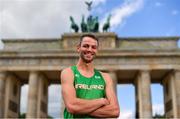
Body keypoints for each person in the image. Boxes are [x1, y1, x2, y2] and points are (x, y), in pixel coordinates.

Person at [60, 34, 120, 118]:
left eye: (93, 47)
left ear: (97, 51)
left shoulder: (106, 77)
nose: (89, 50)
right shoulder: (68, 73)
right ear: (78, 48)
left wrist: (80, 108)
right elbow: (72, 106)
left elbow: (114, 111)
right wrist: (100, 101)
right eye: (86, 46)